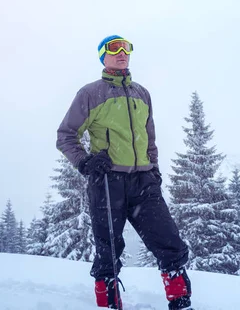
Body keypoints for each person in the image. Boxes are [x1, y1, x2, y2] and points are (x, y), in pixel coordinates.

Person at [56, 35, 192, 310]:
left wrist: (153, 170)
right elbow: (66, 136)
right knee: (108, 251)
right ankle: (108, 305)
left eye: (126, 48)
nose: (122, 52)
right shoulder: (90, 93)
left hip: (144, 182)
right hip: (108, 181)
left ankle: (181, 302)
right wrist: (85, 162)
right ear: (102, 56)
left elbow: (149, 138)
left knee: (170, 243)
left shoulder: (142, 94)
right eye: (114, 48)